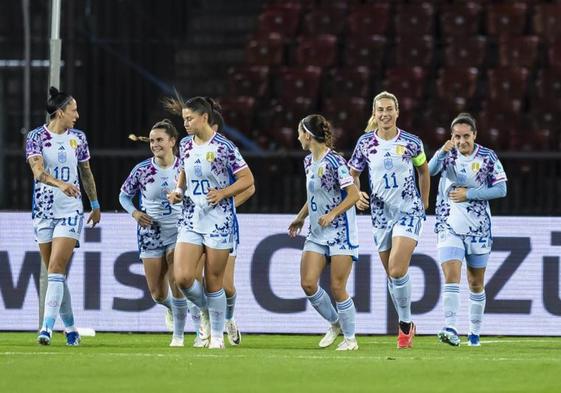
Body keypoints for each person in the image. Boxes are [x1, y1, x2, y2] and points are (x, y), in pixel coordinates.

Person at [166, 96, 254, 349]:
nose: (186, 123)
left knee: (215, 281)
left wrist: (224, 193)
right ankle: (206, 311)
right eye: (184, 119)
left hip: (219, 220)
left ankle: (216, 336)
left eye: (190, 118)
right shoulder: (185, 144)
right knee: (182, 278)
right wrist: (178, 191)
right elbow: (183, 171)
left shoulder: (224, 147)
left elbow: (247, 179)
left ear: (204, 118)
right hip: (191, 218)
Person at [348, 91, 430, 349]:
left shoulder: (411, 142)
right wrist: (357, 194)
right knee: (393, 275)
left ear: (397, 112)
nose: (384, 114)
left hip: (408, 211)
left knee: (396, 269)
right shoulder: (364, 144)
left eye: (389, 109)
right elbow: (353, 174)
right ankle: (408, 322)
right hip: (380, 215)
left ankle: (404, 326)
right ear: (374, 114)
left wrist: (424, 203)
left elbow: (423, 170)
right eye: (380, 110)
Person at [26, 86, 101, 346]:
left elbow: (86, 172)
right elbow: (38, 172)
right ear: (60, 113)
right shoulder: (36, 137)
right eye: (73, 110)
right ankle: (71, 329)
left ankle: (46, 328)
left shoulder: (78, 138)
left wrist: (94, 203)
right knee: (55, 273)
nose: (77, 115)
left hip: (71, 211)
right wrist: (60, 184)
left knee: (57, 268)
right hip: (44, 211)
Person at [429, 113, 507, 347]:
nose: (461, 141)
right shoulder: (447, 154)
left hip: (478, 228)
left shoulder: (487, 157)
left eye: (466, 136)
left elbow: (501, 189)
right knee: (451, 277)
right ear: (451, 136)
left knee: (475, 283)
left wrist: (468, 194)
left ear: (475, 135)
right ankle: (450, 327)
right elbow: (430, 170)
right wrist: (441, 151)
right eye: (457, 136)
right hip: (448, 225)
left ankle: (474, 334)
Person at [288, 114, 360, 351]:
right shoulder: (309, 162)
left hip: (340, 232)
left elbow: (353, 195)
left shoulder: (335, 162)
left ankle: (350, 339)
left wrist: (332, 214)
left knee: (338, 288)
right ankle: (335, 323)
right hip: (317, 233)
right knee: (308, 284)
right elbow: (314, 197)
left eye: (300, 133)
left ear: (308, 135)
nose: (298, 137)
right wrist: (300, 217)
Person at [119, 119, 188, 347]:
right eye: (152, 140)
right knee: (157, 293)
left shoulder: (184, 168)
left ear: (172, 141)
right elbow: (124, 196)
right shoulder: (142, 170)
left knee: (177, 279)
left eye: (159, 140)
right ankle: (172, 309)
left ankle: (178, 336)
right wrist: (135, 213)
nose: (155, 144)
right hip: (150, 234)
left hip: (179, 230)